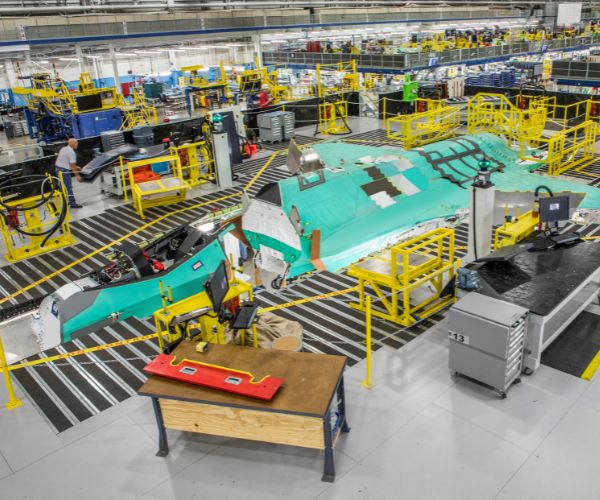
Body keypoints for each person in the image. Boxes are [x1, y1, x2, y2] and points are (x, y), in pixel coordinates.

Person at [55, 137, 82, 209]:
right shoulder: (71, 152)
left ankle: (64, 202)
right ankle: (72, 203)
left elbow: (64, 160)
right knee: (68, 187)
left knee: (62, 187)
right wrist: (77, 175)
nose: (77, 144)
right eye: (76, 143)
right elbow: (72, 166)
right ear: (73, 144)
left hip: (58, 169)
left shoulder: (63, 149)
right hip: (64, 171)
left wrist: (76, 167)